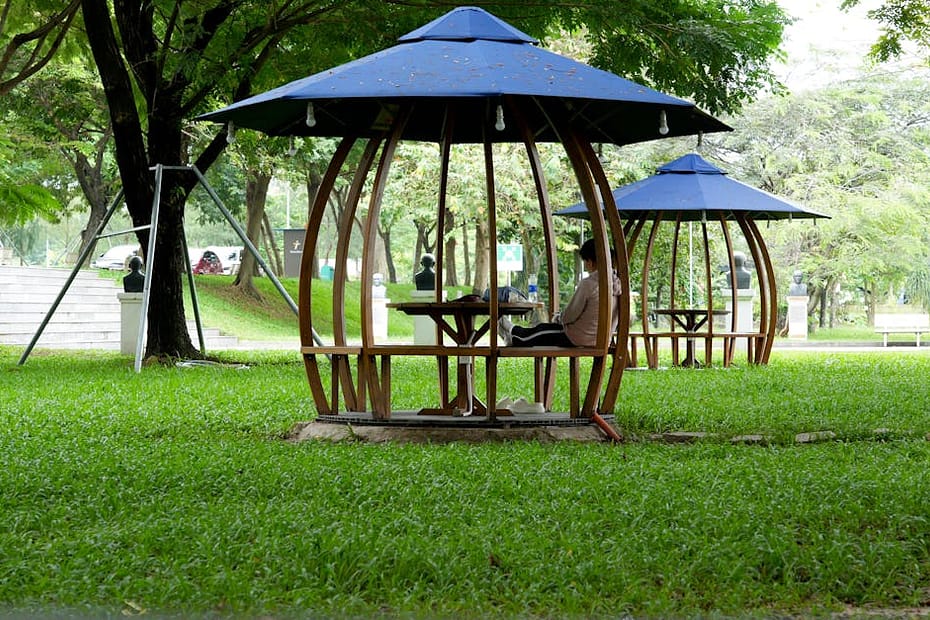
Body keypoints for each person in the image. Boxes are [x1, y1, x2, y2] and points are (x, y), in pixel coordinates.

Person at [498, 239, 621, 347]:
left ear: (590, 261)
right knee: (544, 330)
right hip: (601, 339)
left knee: (542, 331)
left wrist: (559, 318)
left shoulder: (589, 284)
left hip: (579, 337)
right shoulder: (617, 283)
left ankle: (513, 334)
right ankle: (512, 332)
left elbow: (571, 314)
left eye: (585, 262)